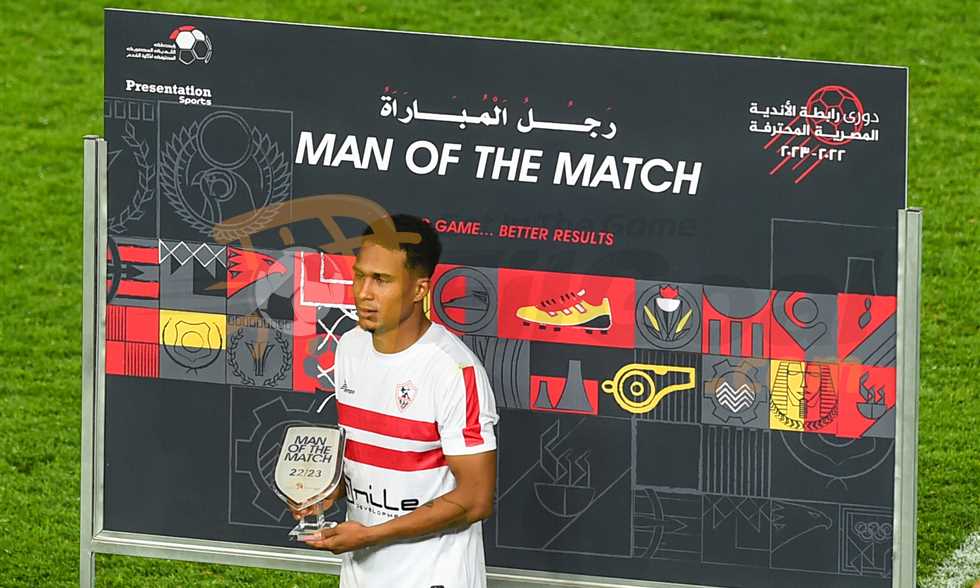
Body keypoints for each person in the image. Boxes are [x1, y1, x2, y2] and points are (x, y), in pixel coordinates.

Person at [294, 213, 499, 588]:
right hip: (361, 574)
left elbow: (476, 499)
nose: (363, 292)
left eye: (382, 280)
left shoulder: (454, 371)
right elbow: (365, 461)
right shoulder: (350, 347)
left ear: (419, 290)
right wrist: (325, 493)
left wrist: (371, 535)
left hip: (433, 577)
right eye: (360, 276)